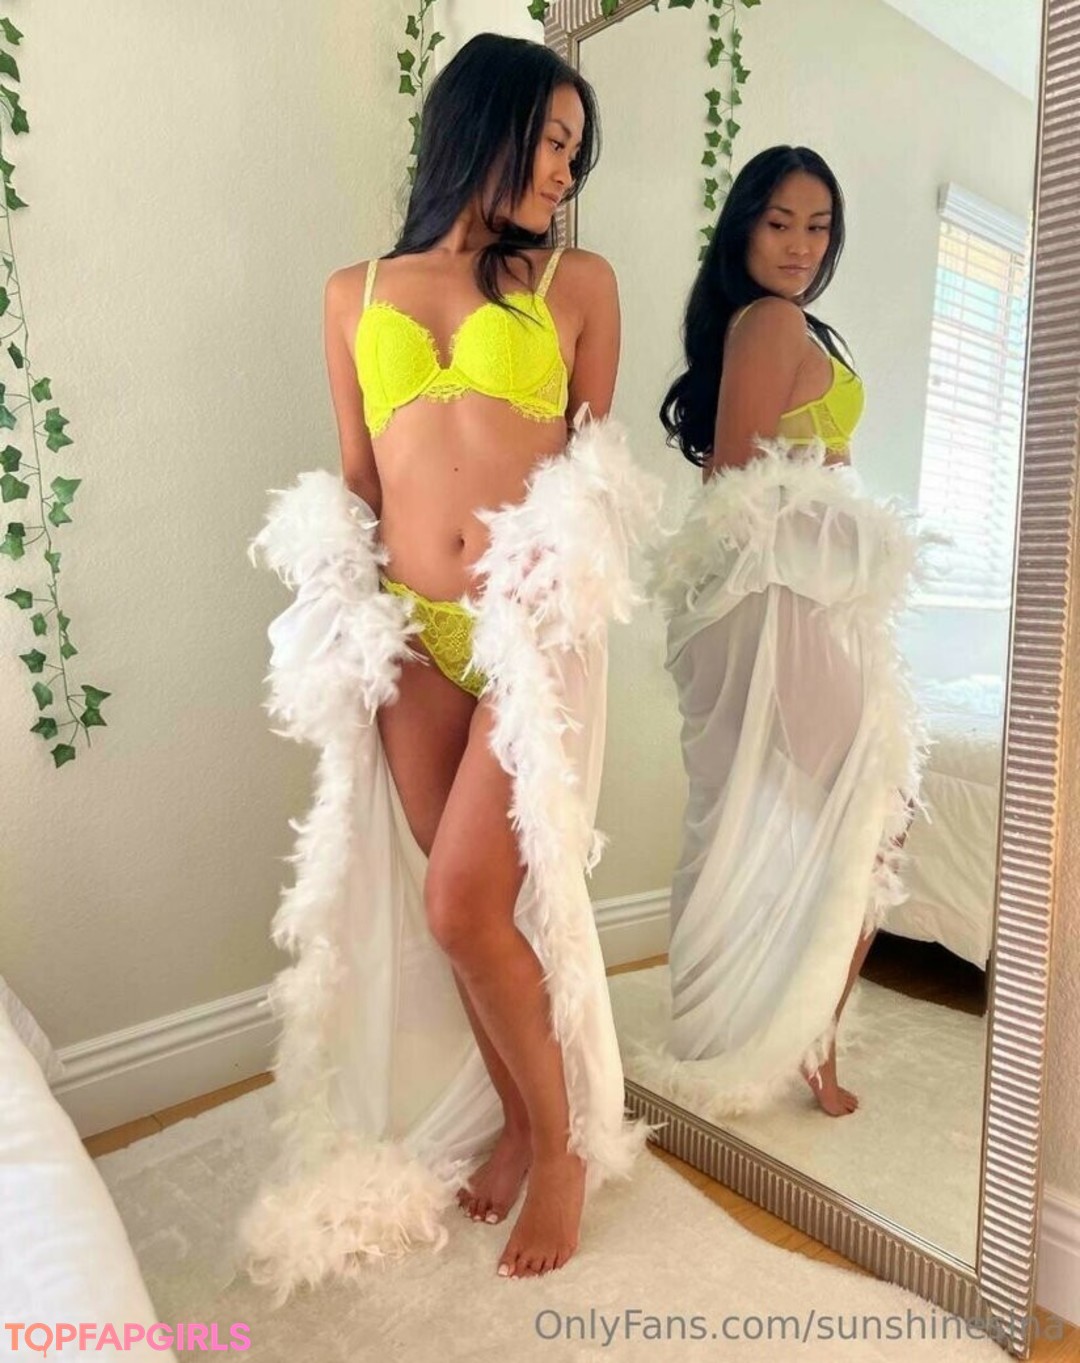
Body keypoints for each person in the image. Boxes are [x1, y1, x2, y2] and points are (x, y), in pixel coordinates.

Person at [235, 34, 660, 1296]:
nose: (565, 173)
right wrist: (343, 622)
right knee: (461, 910)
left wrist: (553, 606)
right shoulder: (351, 294)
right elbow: (360, 481)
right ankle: (520, 1119)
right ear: (483, 124)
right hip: (412, 638)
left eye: (577, 153)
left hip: (530, 635)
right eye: (552, 142)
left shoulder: (579, 284)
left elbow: (592, 480)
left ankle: (565, 1149)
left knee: (464, 903)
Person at [638, 145, 927, 1122]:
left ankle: (763, 1026)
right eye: (779, 223)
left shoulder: (774, 321)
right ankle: (805, 1037)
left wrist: (848, 532)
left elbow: (798, 471)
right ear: (743, 229)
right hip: (775, 598)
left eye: (818, 227)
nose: (801, 245)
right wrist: (844, 533)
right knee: (869, 806)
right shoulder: (771, 320)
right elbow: (735, 483)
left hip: (788, 597)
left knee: (768, 809)